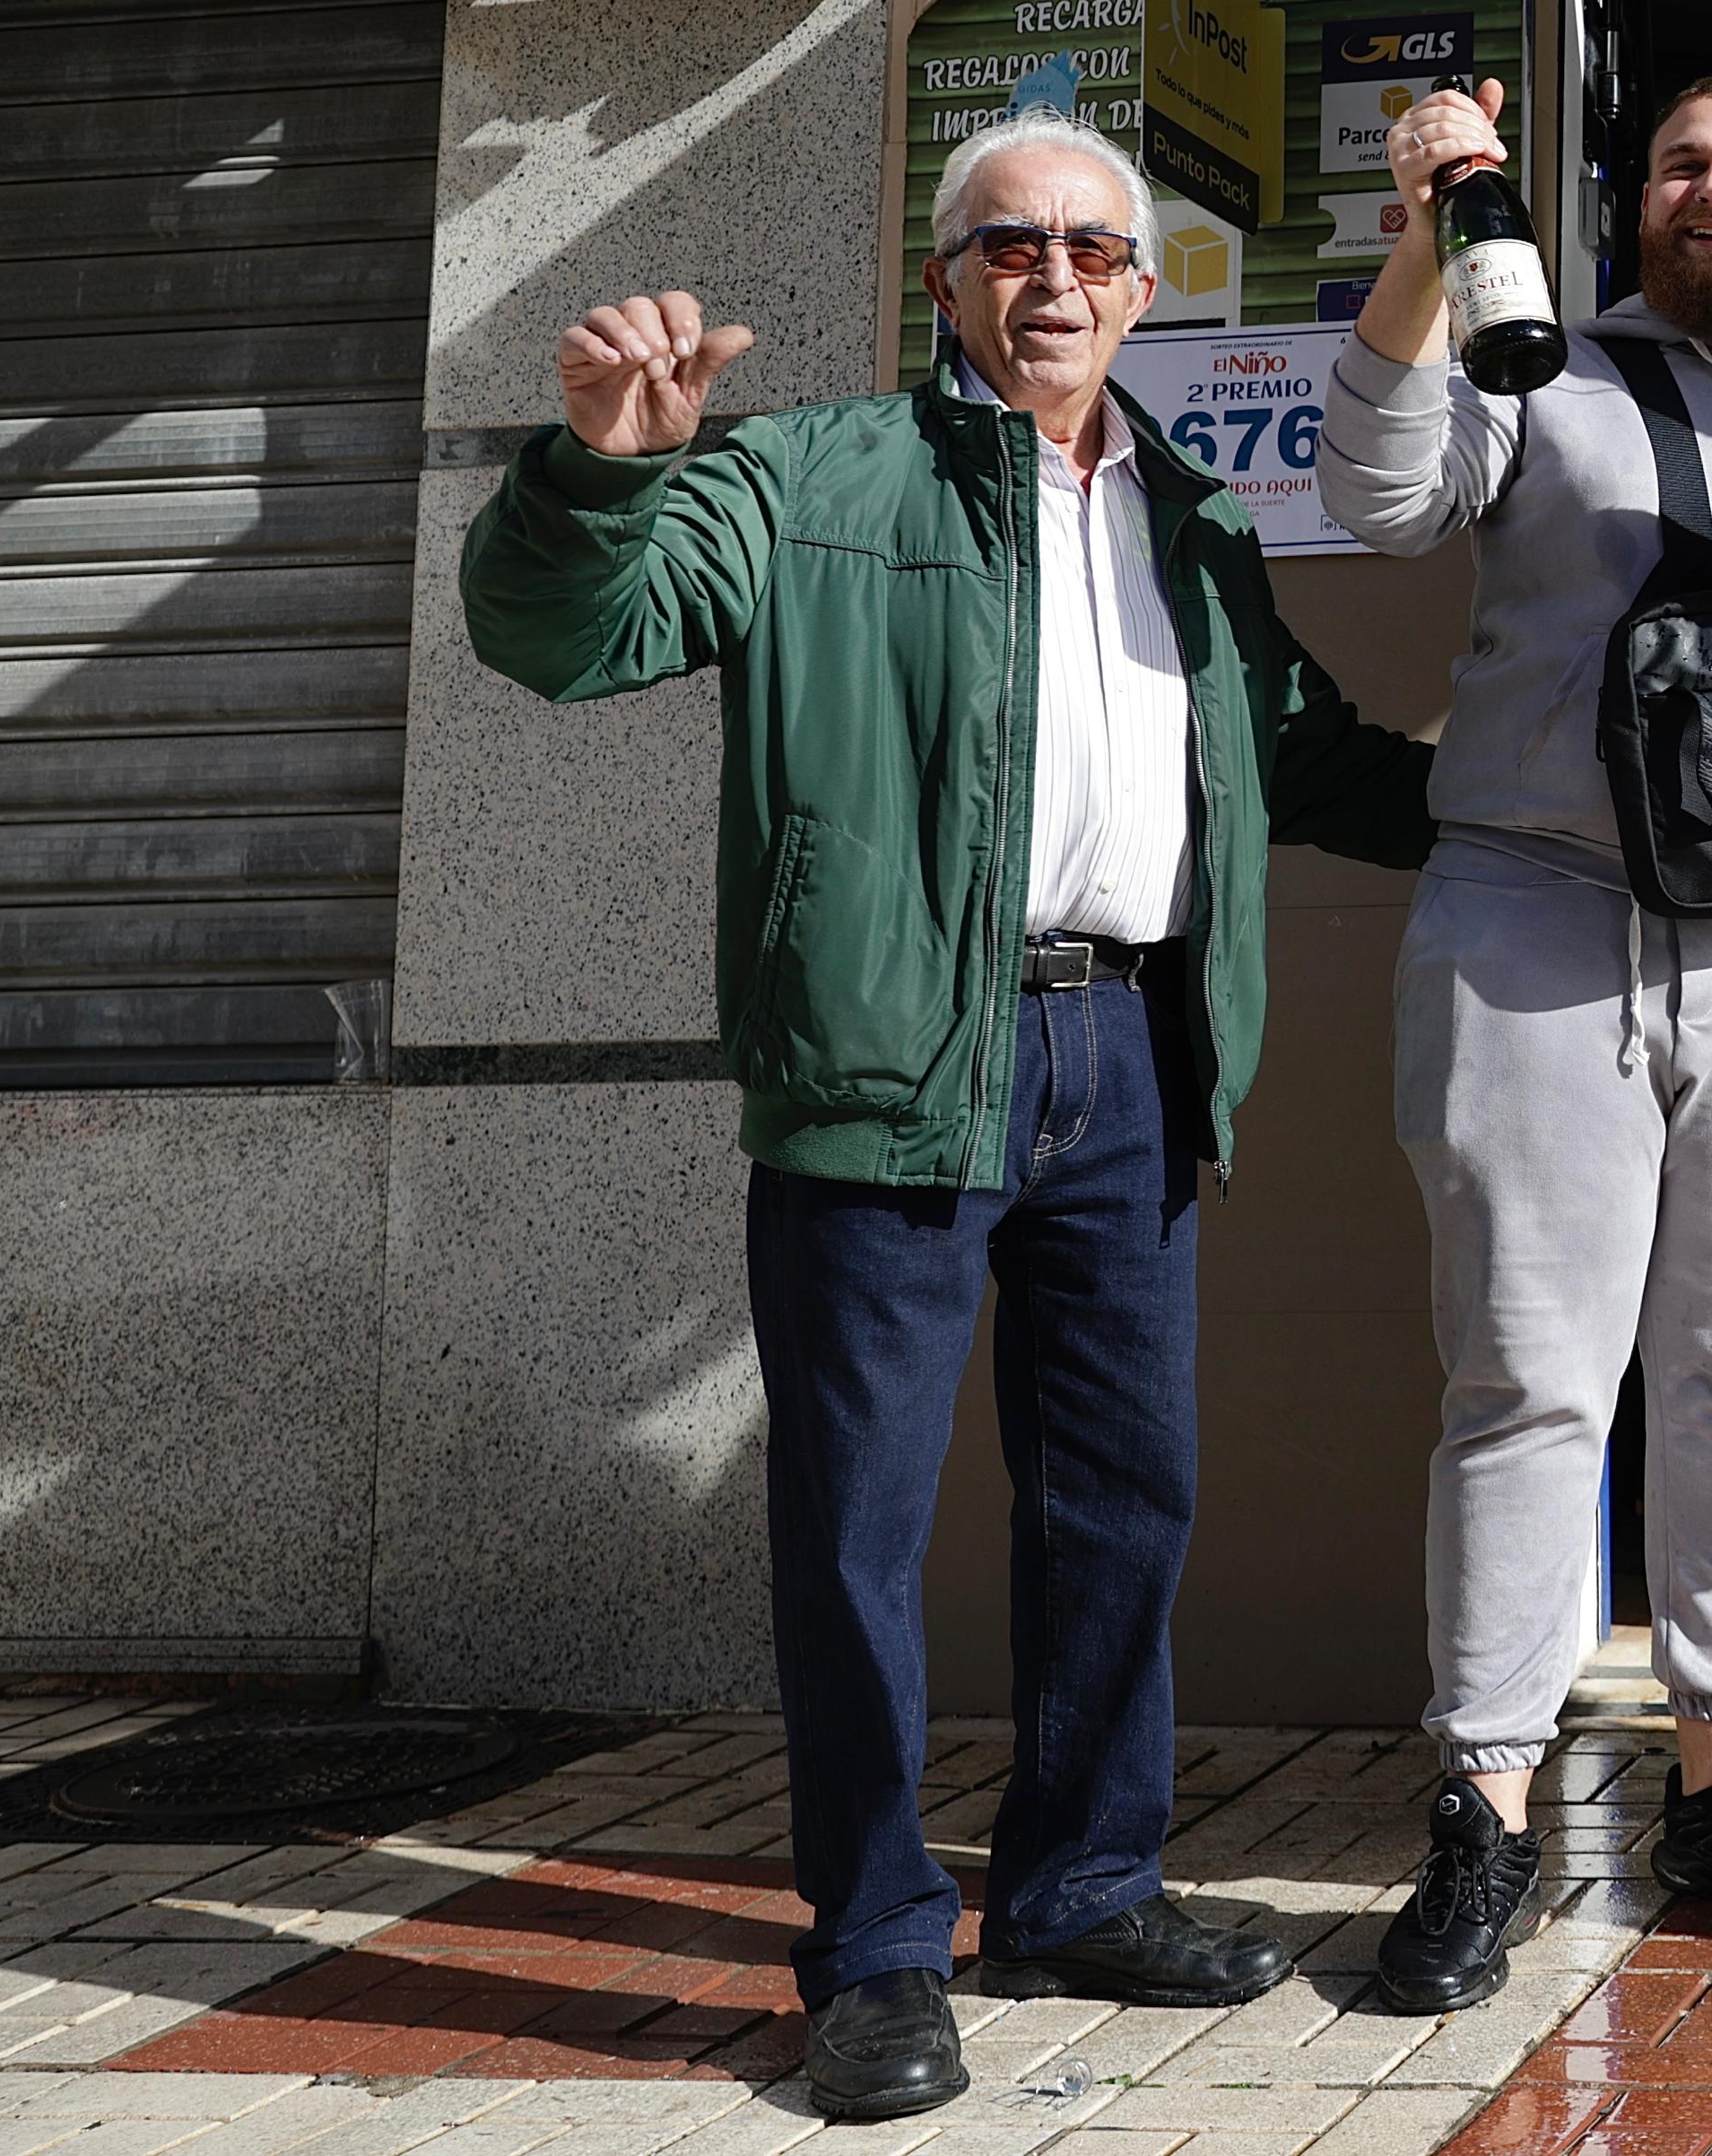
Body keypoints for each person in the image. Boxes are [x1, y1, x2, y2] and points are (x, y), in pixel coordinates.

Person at [459, 115, 1437, 2122]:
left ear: (1145, 294)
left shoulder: (1191, 519)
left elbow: (1303, 759)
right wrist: (595, 475)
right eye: (1007, 247)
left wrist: (1558, 806)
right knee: (856, 1539)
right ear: (946, 282)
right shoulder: (807, 477)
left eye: (1093, 247)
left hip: (1136, 1060)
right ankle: (880, 1951)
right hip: (897, 1062)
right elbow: (564, 636)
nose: (1052, 277)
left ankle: (1081, 1886)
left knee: (1120, 1506)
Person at [1316, 73, 1712, 2012]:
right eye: (1683, 162)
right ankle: (1486, 1810)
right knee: (1524, 1381)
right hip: (1535, 908)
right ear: (1631, 196)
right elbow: (1374, 493)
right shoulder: (1535, 365)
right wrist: (1420, 239)